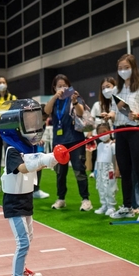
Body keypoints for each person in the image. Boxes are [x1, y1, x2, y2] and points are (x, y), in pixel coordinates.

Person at [0, 99, 58, 276]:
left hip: (26, 198)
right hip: (14, 202)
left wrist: (50, 159)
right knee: (22, 242)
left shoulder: (28, 147)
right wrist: (43, 160)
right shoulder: (12, 149)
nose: (33, 125)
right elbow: (23, 167)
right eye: (28, 120)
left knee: (29, 237)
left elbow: (34, 164)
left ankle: (21, 272)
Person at [107, 54, 139, 220]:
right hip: (120, 132)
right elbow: (114, 110)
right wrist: (109, 115)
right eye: (120, 68)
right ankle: (127, 206)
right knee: (124, 171)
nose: (123, 71)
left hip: (137, 131)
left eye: (126, 68)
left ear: (133, 68)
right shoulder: (116, 90)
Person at [43, 74, 92, 211]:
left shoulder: (74, 97)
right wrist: (54, 97)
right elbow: (46, 111)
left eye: (65, 86)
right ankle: (61, 199)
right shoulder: (54, 101)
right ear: (54, 87)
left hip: (76, 140)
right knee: (60, 172)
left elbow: (81, 113)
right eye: (59, 86)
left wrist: (75, 102)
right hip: (59, 142)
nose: (62, 88)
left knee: (79, 170)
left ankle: (85, 199)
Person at [93, 123, 117, 215]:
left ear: (109, 131)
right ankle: (104, 205)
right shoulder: (99, 145)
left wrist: (117, 170)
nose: (102, 134)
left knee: (109, 188)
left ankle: (111, 206)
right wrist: (95, 170)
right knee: (101, 187)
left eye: (104, 132)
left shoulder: (112, 145)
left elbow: (116, 158)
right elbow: (97, 158)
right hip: (100, 169)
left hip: (109, 170)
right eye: (100, 133)